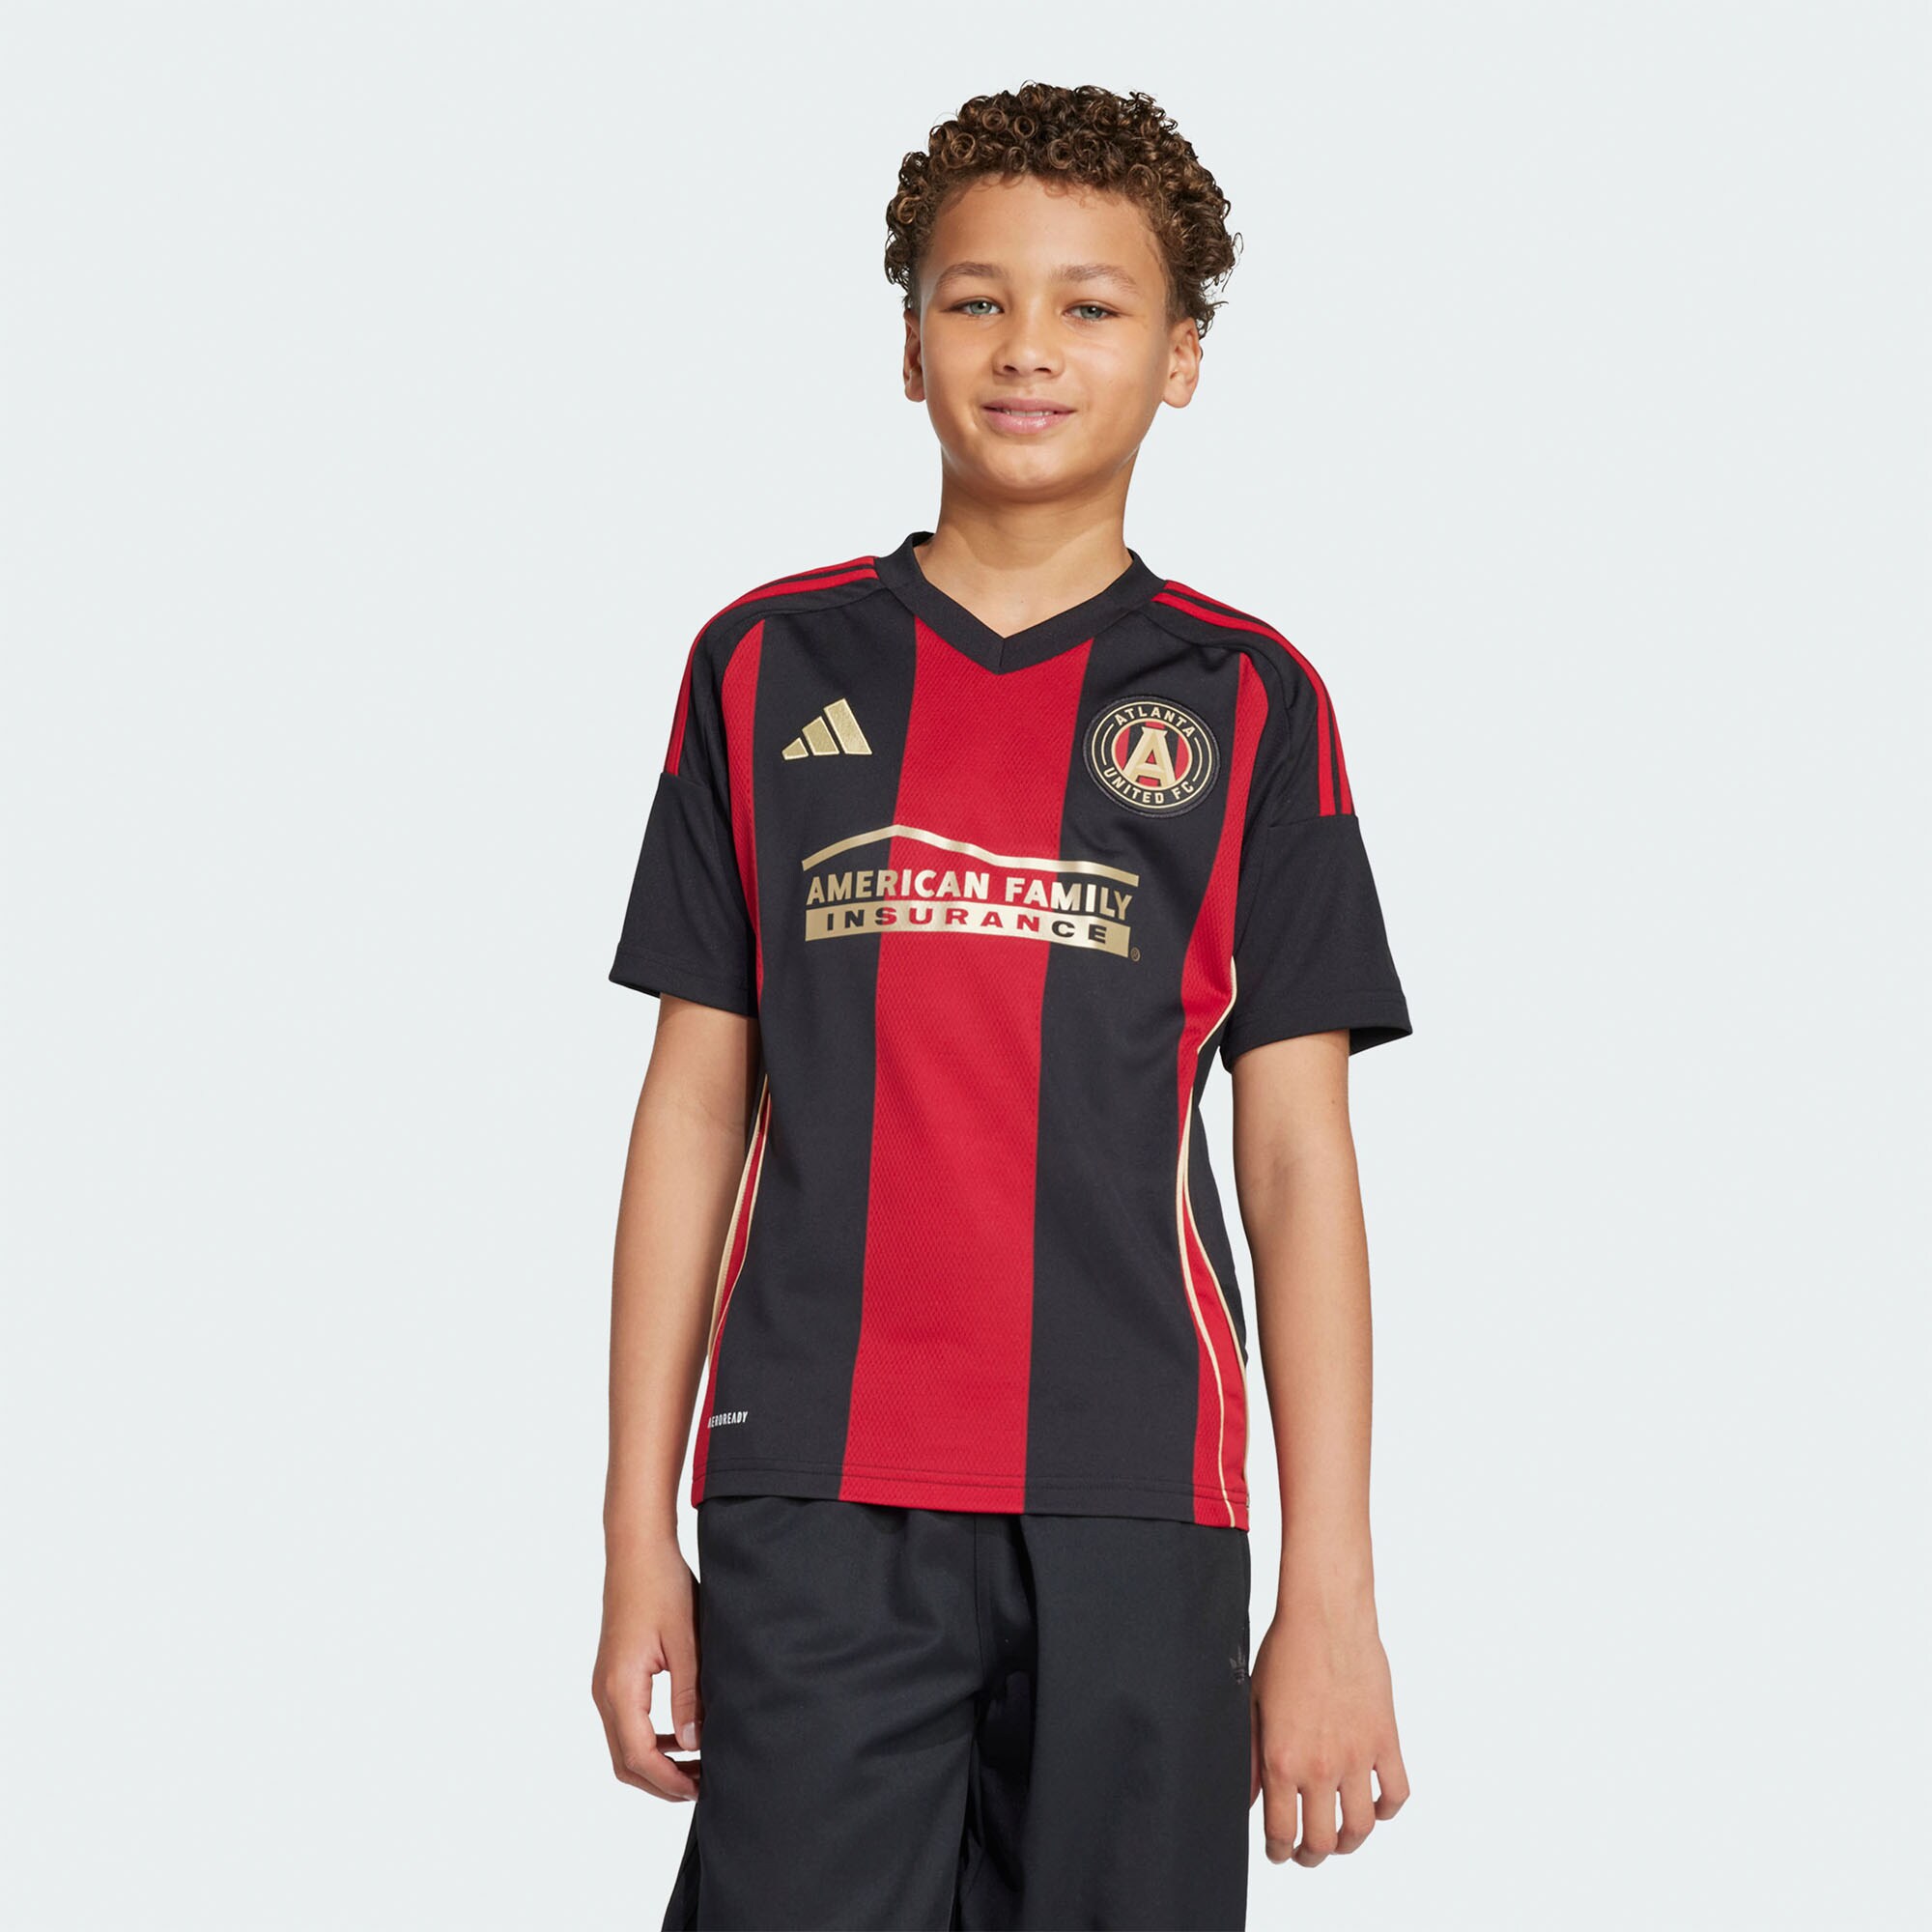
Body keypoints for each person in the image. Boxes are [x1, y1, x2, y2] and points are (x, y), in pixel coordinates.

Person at [591, 80, 1414, 1931]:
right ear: (909, 345)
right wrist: (638, 1532)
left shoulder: (1252, 699)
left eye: (1090, 304)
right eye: (976, 299)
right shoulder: (761, 667)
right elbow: (693, 1111)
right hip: (812, 1492)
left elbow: (1296, 1164)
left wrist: (1332, 1593)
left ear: (1181, 357)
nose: (1028, 346)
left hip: (1143, 1503)